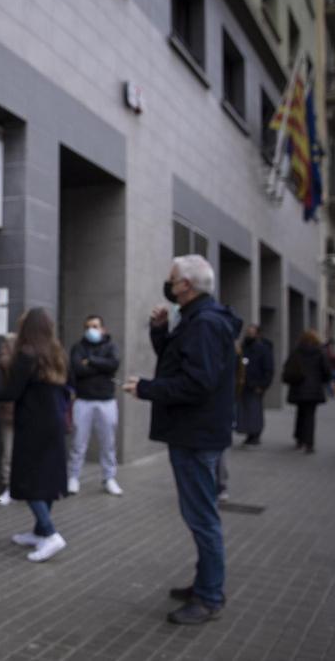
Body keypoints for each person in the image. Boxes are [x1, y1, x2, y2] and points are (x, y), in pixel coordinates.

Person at [123, 254, 241, 625]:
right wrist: (160, 331)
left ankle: (209, 596)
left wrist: (146, 389)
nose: (169, 286)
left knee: (202, 518)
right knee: (200, 515)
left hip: (196, 436)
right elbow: (180, 363)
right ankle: (205, 582)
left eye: (172, 280)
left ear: (186, 286)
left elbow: (195, 383)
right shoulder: (197, 319)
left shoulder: (204, 323)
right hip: (196, 433)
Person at [0, 307, 73, 562]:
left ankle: (51, 534)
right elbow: (69, 385)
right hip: (53, 423)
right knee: (46, 479)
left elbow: (13, 391)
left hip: (32, 425)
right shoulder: (57, 353)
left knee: (29, 481)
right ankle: (39, 532)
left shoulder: (26, 354)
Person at [67, 315, 123, 496]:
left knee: (108, 444)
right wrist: (100, 367)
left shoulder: (110, 346)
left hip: (106, 401)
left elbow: (113, 364)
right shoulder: (78, 347)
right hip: (83, 401)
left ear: (103, 329)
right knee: (78, 443)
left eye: (96, 326)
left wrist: (90, 361)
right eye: (89, 326)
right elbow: (77, 368)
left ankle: (109, 478)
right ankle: (73, 477)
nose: (92, 329)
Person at [283, 330, 330, 454]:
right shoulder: (319, 352)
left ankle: (299, 438)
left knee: (300, 413)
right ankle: (309, 443)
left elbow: (288, 366)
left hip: (299, 386)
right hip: (314, 388)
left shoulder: (297, 351)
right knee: (310, 416)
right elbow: (326, 370)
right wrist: (322, 380)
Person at [235, 324, 273, 447]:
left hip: (256, 385)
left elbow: (268, 369)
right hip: (243, 385)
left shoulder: (263, 349)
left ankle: (255, 434)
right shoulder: (243, 347)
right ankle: (249, 433)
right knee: (245, 410)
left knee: (254, 410)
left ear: (257, 334)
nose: (249, 335)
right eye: (248, 332)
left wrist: (262, 385)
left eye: (251, 333)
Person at [0, 332, 17, 505]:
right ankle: (9, 487)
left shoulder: (41, 343)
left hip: (33, 411)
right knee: (9, 452)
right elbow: (4, 363)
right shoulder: (11, 341)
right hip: (11, 409)